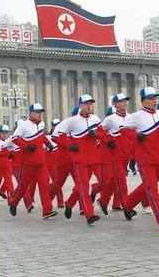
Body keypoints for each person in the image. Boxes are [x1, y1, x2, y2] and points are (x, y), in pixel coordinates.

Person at [121, 87, 159, 230]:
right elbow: (122, 129)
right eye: (151, 98)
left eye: (155, 97)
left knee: (147, 187)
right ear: (143, 101)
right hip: (144, 159)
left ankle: (127, 205)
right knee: (152, 189)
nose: (154, 101)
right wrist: (136, 136)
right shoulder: (136, 116)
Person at [58, 95, 109, 225]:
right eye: (86, 103)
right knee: (84, 187)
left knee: (81, 187)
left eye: (91, 103)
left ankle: (69, 203)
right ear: (80, 105)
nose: (89, 106)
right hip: (79, 159)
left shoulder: (95, 119)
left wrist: (98, 135)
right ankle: (89, 214)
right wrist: (69, 144)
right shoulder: (72, 121)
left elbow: (102, 134)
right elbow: (59, 135)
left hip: (93, 158)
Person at [9, 103, 57, 219]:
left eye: (41, 112)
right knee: (23, 186)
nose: (40, 114)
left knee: (44, 186)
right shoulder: (24, 125)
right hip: (28, 163)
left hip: (41, 161)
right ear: (31, 113)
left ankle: (47, 211)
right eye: (37, 112)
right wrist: (26, 146)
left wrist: (48, 143)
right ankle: (13, 202)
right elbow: (14, 138)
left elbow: (42, 136)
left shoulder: (41, 125)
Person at [97, 95, 137, 220]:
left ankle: (103, 200)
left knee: (115, 180)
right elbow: (99, 131)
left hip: (127, 155)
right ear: (115, 104)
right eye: (121, 102)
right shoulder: (110, 119)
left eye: (125, 101)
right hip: (115, 154)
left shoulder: (131, 117)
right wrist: (107, 140)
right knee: (122, 182)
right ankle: (127, 207)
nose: (125, 104)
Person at [46, 119, 64, 208]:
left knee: (57, 182)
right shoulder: (48, 137)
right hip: (45, 163)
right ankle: (46, 201)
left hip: (55, 163)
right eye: (56, 125)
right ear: (53, 127)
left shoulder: (64, 136)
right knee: (44, 183)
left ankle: (60, 202)